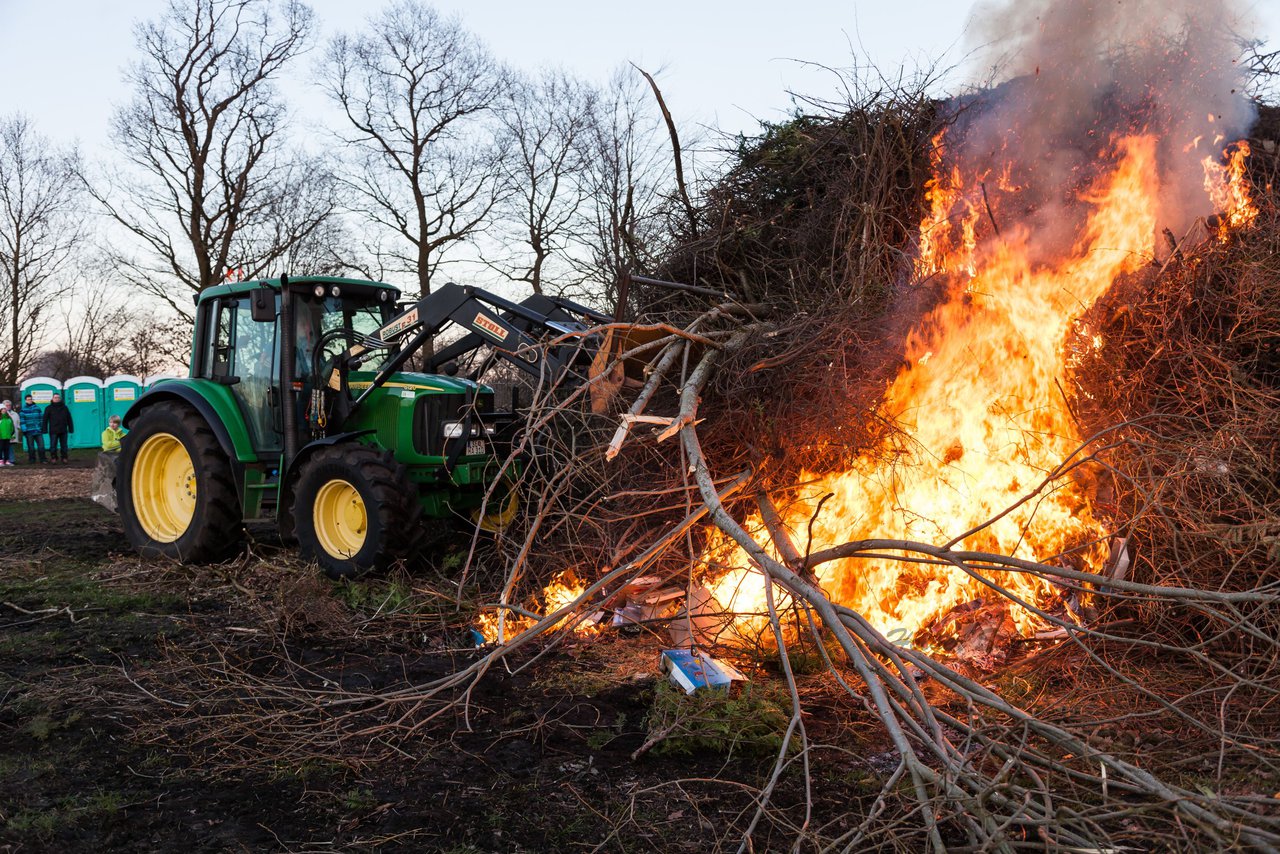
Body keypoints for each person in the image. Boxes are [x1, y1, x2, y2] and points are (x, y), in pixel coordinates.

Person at [42, 392, 73, 463]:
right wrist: (44, 429)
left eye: (58, 398)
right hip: (53, 430)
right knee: (53, 445)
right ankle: (54, 457)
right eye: (55, 398)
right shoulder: (48, 408)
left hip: (63, 430)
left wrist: (71, 428)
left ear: (60, 399)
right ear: (52, 399)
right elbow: (45, 419)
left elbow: (69, 418)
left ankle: (64, 458)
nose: (57, 399)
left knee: (64, 446)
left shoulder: (65, 408)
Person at [18, 394, 46, 464]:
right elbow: (22, 421)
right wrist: (24, 430)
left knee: (41, 446)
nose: (29, 400)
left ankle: (43, 459)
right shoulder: (23, 410)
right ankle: (32, 459)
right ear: (25, 400)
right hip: (29, 431)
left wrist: (42, 427)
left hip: (38, 430)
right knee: (31, 447)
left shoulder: (37, 408)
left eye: (30, 399)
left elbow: (41, 419)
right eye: (28, 399)